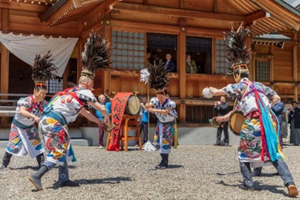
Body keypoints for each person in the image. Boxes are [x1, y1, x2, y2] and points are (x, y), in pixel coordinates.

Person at [203, 26, 298, 197]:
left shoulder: (240, 87)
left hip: (253, 124)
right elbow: (276, 98)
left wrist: (208, 89)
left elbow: (217, 93)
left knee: (243, 154)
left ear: (236, 75)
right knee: (274, 153)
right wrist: (264, 105)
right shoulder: (260, 86)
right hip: (268, 122)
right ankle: (289, 183)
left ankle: (249, 184)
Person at [28, 32, 112, 191]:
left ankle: (64, 178)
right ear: (87, 83)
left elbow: (85, 113)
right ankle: (37, 175)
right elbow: (100, 108)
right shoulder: (85, 92)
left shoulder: (69, 92)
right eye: (92, 82)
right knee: (58, 150)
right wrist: (107, 118)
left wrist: (99, 123)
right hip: (54, 122)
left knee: (64, 146)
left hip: (46, 121)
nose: (93, 85)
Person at [0, 52, 56, 170]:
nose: (44, 95)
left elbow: (50, 112)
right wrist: (34, 117)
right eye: (42, 93)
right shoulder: (26, 100)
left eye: (45, 93)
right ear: (36, 91)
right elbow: (21, 111)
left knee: (37, 144)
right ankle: (4, 165)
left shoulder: (43, 103)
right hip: (18, 126)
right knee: (12, 144)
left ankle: (42, 166)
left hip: (30, 127)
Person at [145, 63, 177, 169]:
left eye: (161, 95)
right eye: (158, 95)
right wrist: (148, 105)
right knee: (159, 141)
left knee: (165, 142)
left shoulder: (170, 103)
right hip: (160, 124)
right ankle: (162, 161)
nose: (159, 97)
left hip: (168, 124)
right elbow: (149, 105)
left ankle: (165, 162)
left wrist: (152, 109)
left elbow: (166, 112)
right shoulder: (154, 100)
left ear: (166, 95)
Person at [252, 101, 285, 176]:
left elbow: (276, 110)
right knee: (262, 146)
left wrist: (268, 105)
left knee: (275, 149)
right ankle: (257, 170)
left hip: (275, 127)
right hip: (266, 125)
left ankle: (281, 170)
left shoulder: (280, 103)